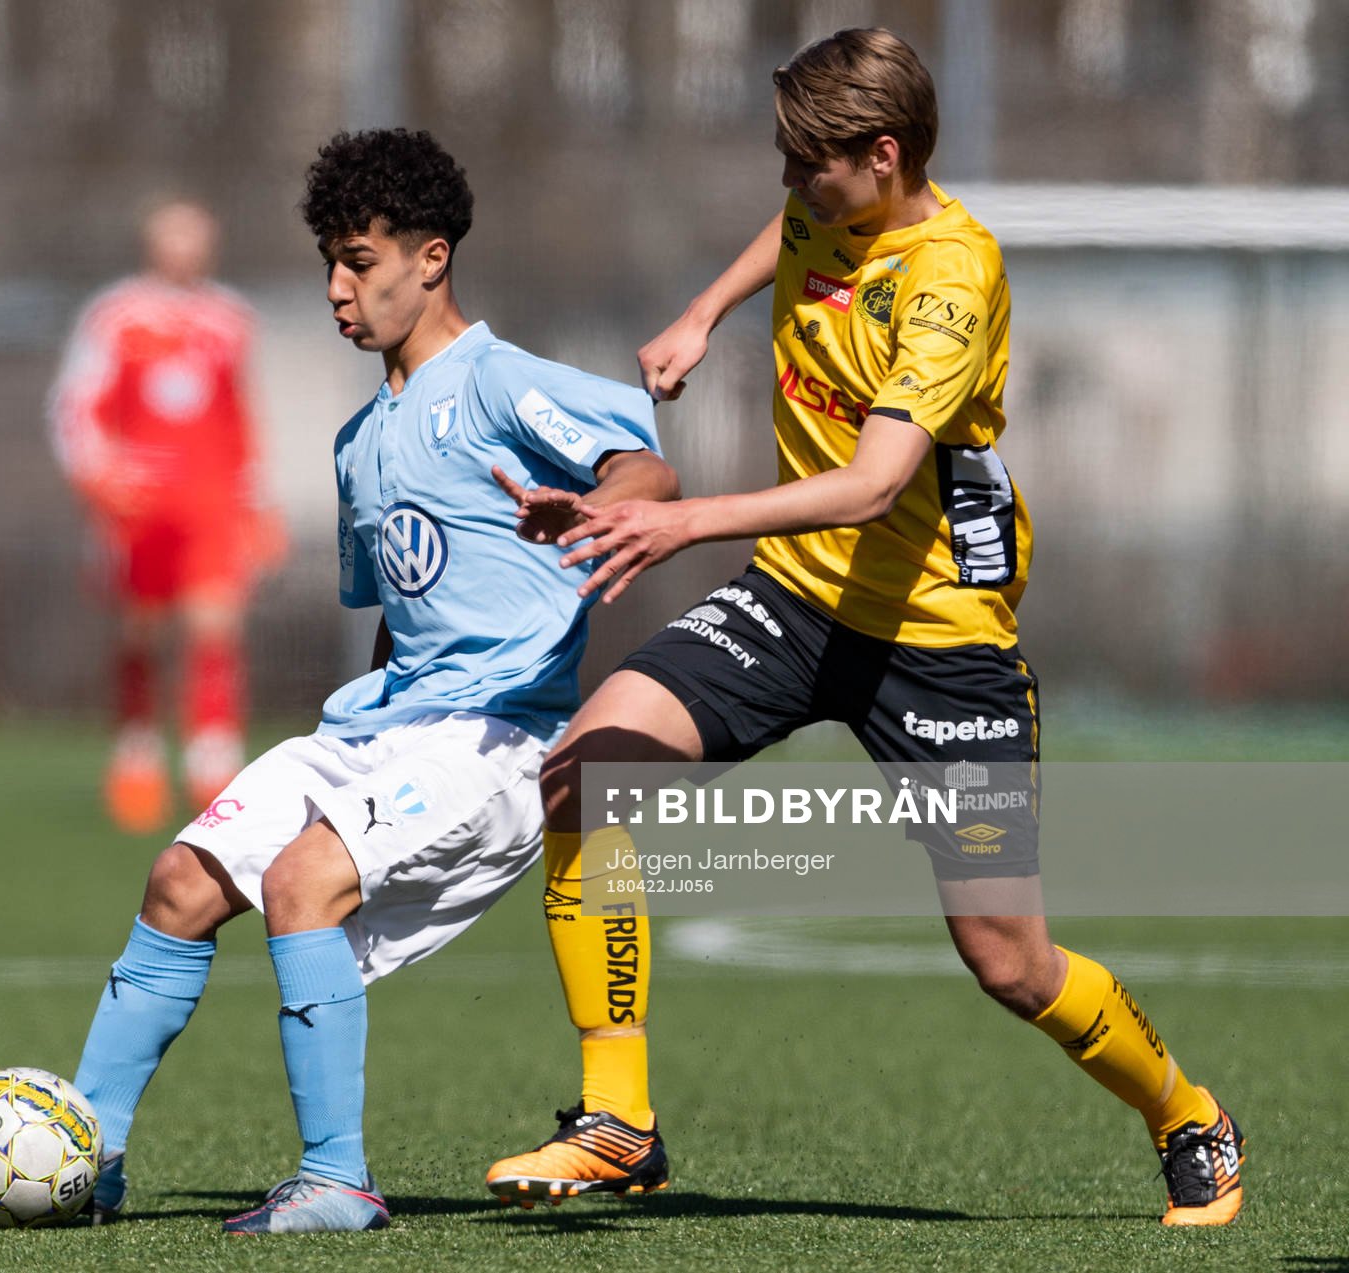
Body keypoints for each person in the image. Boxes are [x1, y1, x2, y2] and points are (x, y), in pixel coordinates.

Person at [484, 28, 1245, 1227]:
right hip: (793, 600)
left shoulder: (951, 277)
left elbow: (875, 483)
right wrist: (704, 313)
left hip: (938, 644)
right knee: (588, 774)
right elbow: (787, 233)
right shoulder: (828, 205)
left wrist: (689, 526)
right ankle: (616, 1117)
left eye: (809, 167)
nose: (789, 189)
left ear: (882, 157)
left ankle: (1187, 1109)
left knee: (1011, 961)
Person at [69, 128, 675, 1233]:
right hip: (382, 727)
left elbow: (643, 462)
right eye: (329, 265)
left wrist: (596, 510)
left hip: (495, 737)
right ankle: (86, 1155)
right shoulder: (360, 441)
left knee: (304, 883)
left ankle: (338, 1180)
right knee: (180, 881)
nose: (338, 291)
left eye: (360, 261)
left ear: (431, 258)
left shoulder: (497, 383)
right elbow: (401, 624)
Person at [47, 199, 285, 833]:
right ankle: (137, 758)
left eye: (195, 235)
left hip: (210, 504)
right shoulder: (116, 315)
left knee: (216, 628)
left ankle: (215, 763)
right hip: (140, 504)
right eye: (171, 235)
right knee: (141, 633)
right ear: (151, 242)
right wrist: (99, 480)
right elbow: (74, 405)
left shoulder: (231, 320)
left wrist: (257, 503)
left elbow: (243, 418)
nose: (183, 248)